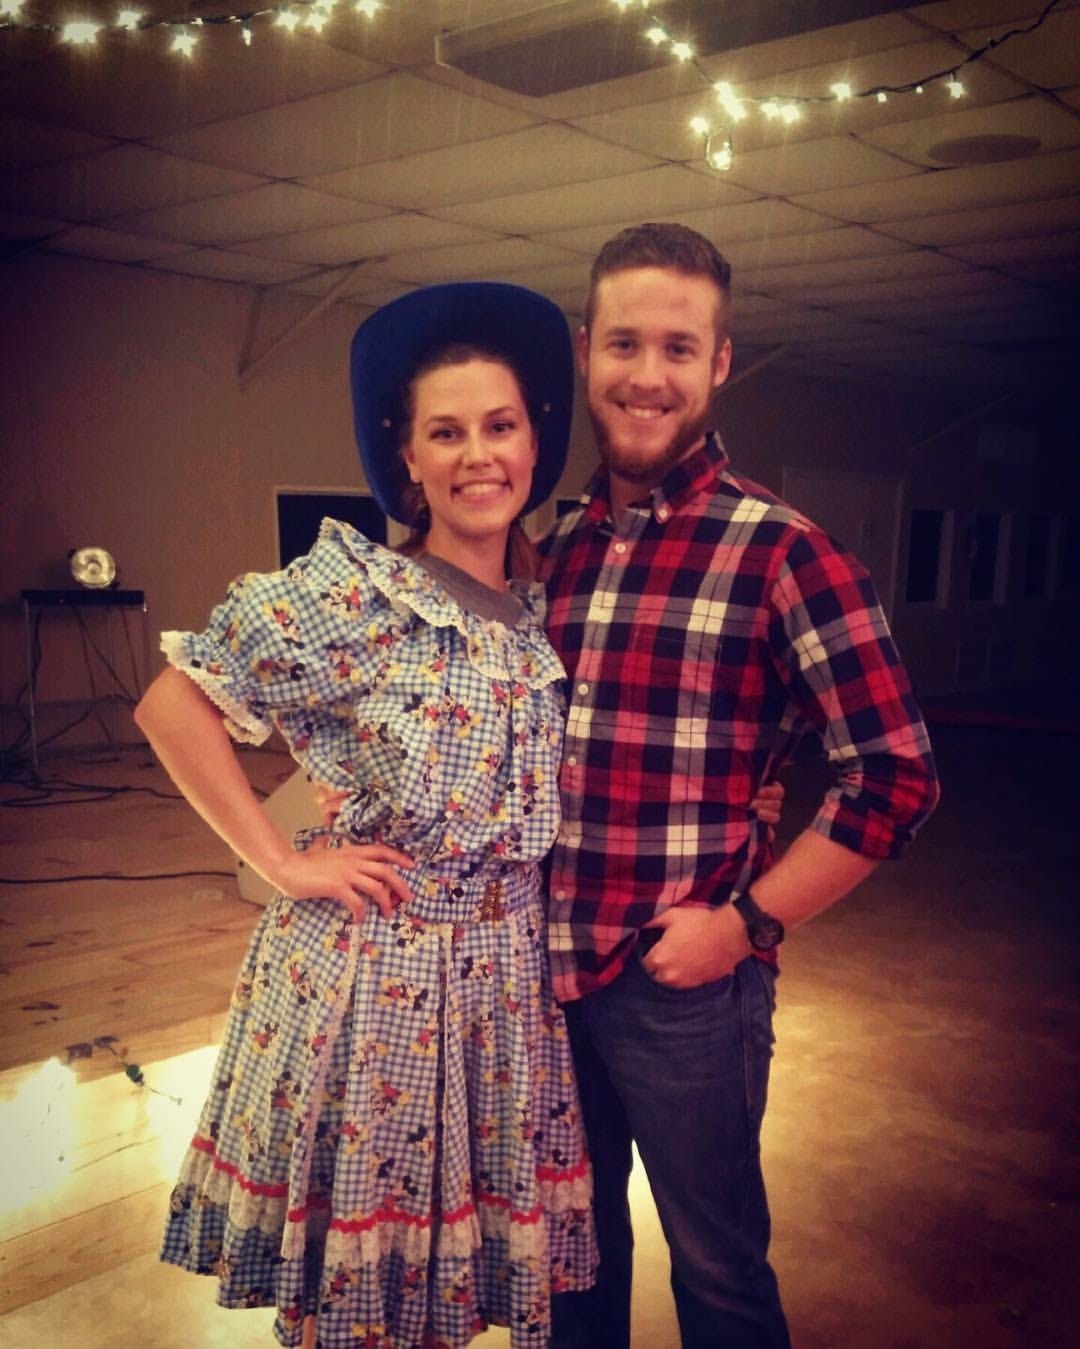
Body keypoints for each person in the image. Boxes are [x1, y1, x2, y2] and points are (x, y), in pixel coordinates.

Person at [134, 282, 600, 1349]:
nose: (478, 454)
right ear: (409, 460)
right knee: (362, 1300)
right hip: (379, 978)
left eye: (500, 424)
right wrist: (278, 859)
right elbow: (173, 700)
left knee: (442, 1287)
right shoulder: (363, 595)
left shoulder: (538, 614)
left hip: (501, 984)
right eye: (448, 431)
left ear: (537, 444)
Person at [538, 223, 941, 1349]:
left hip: (684, 991)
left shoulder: (788, 553)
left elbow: (896, 774)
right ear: (586, 351)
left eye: (679, 347)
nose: (646, 374)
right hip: (539, 977)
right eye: (625, 342)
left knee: (716, 1268)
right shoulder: (550, 548)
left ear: (719, 363)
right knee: (573, 1259)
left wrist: (748, 922)